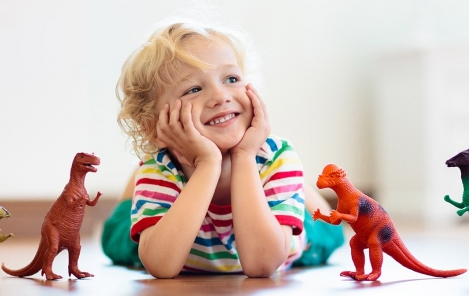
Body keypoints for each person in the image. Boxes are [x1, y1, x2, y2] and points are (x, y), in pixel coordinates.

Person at [101, 19, 343, 278]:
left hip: (284, 228)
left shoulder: (277, 157)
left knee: (330, 231)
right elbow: (161, 266)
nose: (221, 96)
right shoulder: (160, 168)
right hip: (167, 215)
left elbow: (262, 265)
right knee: (119, 239)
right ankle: (135, 189)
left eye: (231, 78)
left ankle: (297, 190)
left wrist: (245, 155)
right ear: (154, 127)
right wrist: (207, 164)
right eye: (193, 89)